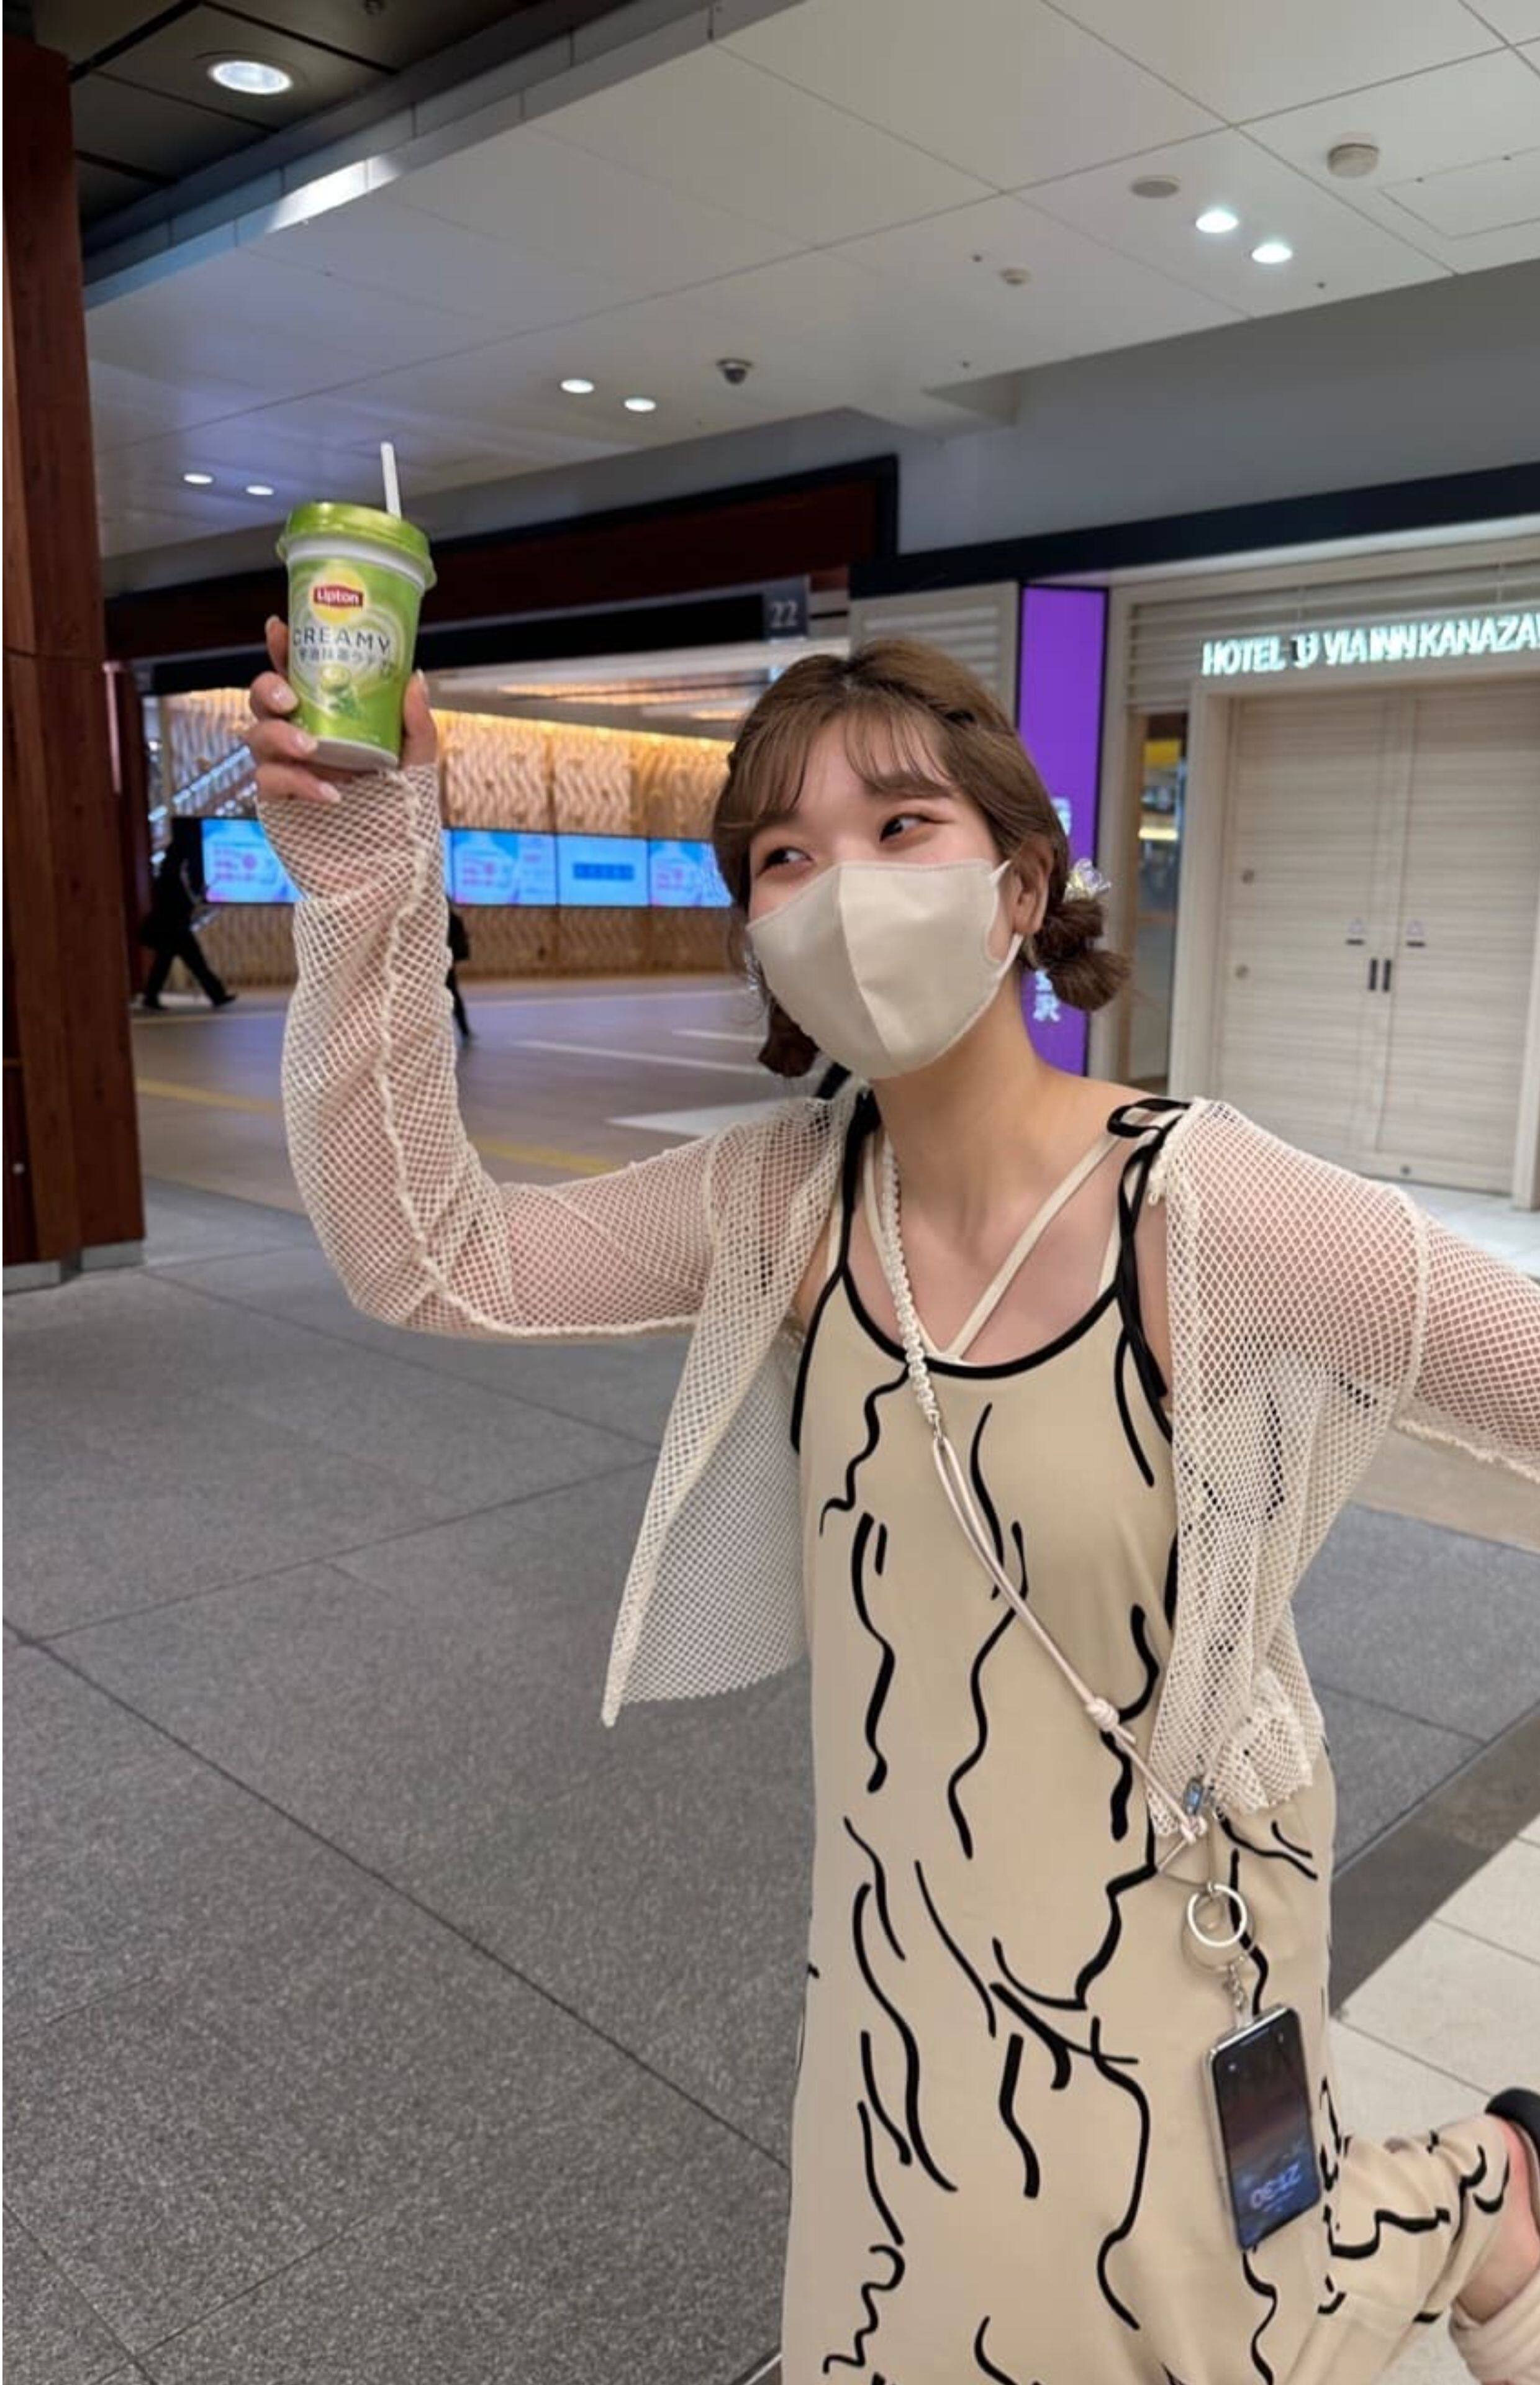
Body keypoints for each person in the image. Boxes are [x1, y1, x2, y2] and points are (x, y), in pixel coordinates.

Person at [244, 620, 1540, 2384]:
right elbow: (432, 1257)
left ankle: (1482, 2196)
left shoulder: (1206, 1208)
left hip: (1174, 1907)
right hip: (898, 1940)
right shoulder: (786, 1206)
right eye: (784, 855)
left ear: (1021, 884)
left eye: (900, 826)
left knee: (1224, 2326)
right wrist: (366, 880)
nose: (842, 889)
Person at [138, 817, 236, 1011]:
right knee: (195, 963)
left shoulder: (168, 877)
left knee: (168, 964)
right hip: (174, 929)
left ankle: (152, 997)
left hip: (171, 929)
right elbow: (176, 905)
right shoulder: (171, 879)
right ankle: (216, 995)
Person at [446, 904, 473, 1042]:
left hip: (442, 964)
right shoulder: (452, 919)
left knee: (452, 996)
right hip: (445, 963)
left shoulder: (450, 919)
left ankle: (464, 1029)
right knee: (453, 996)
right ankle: (464, 1029)